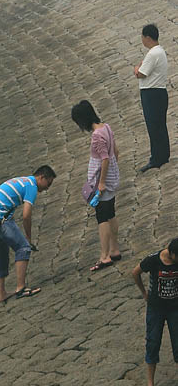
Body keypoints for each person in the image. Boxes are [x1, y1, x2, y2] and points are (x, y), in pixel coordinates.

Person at [0, 166, 56, 302]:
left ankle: (1, 294)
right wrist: (28, 238)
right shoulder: (31, 186)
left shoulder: (22, 180)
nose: (47, 188)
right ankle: (21, 288)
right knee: (23, 248)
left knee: (1, 254)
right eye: (48, 183)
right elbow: (26, 215)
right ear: (41, 177)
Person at [71, 101, 121, 272]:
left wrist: (101, 183)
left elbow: (104, 158)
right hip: (112, 177)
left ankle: (104, 255)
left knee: (102, 217)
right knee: (111, 213)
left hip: (103, 182)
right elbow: (115, 151)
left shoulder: (96, 136)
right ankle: (115, 249)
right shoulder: (106, 127)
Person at [132, 238, 178, 386]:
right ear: (172, 254)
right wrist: (145, 294)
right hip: (156, 308)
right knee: (152, 343)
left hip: (174, 308)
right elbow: (135, 272)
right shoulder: (153, 260)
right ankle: (150, 385)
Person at [134, 23, 170, 171]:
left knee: (153, 127)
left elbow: (140, 73)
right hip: (159, 93)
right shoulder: (160, 51)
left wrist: (136, 68)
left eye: (142, 37)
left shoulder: (153, 53)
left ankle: (156, 159)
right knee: (160, 126)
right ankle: (163, 155)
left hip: (151, 94)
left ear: (147, 37)